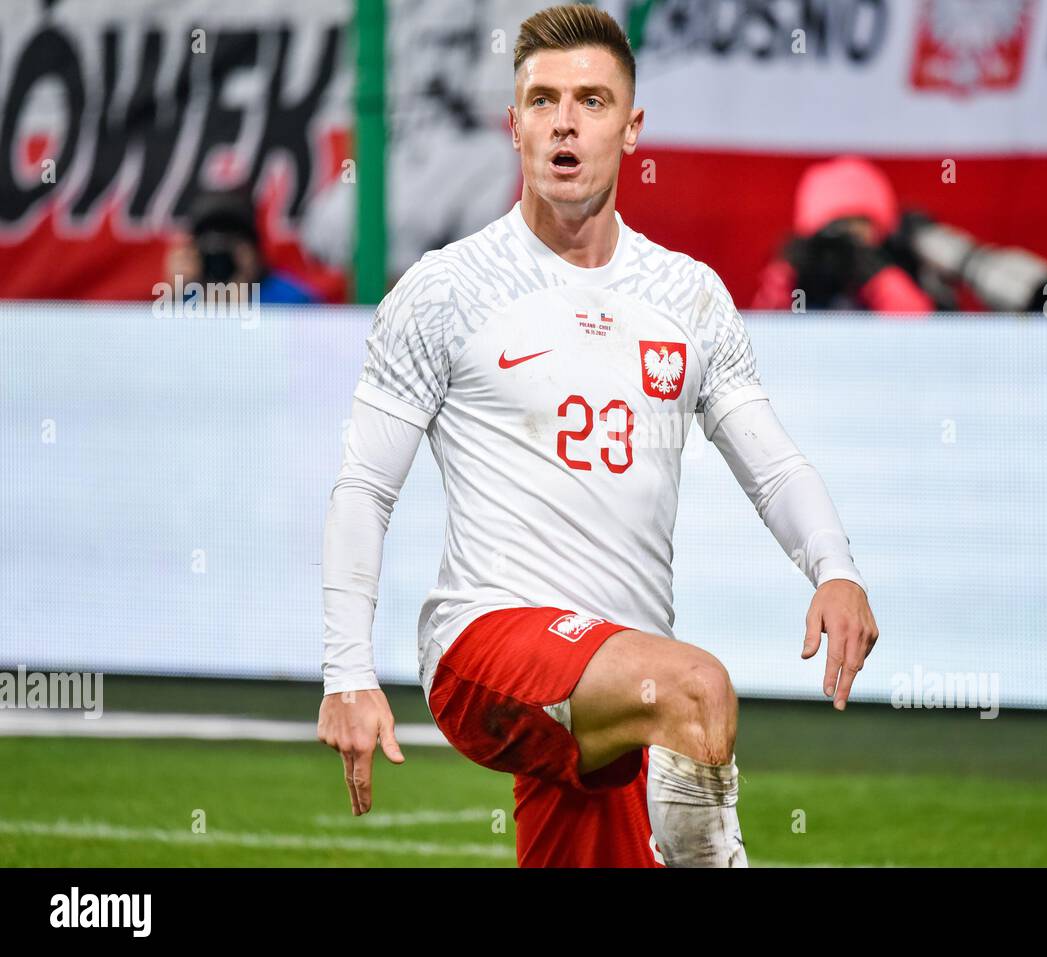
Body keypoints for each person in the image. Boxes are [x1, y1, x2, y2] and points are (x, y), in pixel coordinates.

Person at [316, 4, 879, 868]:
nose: (565, 121)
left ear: (632, 125)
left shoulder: (687, 296)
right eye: (542, 100)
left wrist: (834, 569)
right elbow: (365, 487)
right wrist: (348, 672)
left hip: (609, 694)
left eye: (591, 99)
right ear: (514, 125)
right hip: (487, 647)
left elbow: (770, 465)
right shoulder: (444, 289)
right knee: (698, 691)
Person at [750, 156, 933, 313]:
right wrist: (787, 276)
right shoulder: (799, 273)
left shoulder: (889, 268)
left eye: (858, 224)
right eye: (838, 226)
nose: (847, 238)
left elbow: (917, 329)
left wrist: (879, 278)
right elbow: (765, 328)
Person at [165, 190, 321, 305]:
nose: (221, 253)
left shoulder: (291, 300)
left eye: (232, 241)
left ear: (255, 249)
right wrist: (174, 293)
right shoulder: (183, 298)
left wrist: (242, 305)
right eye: (209, 243)